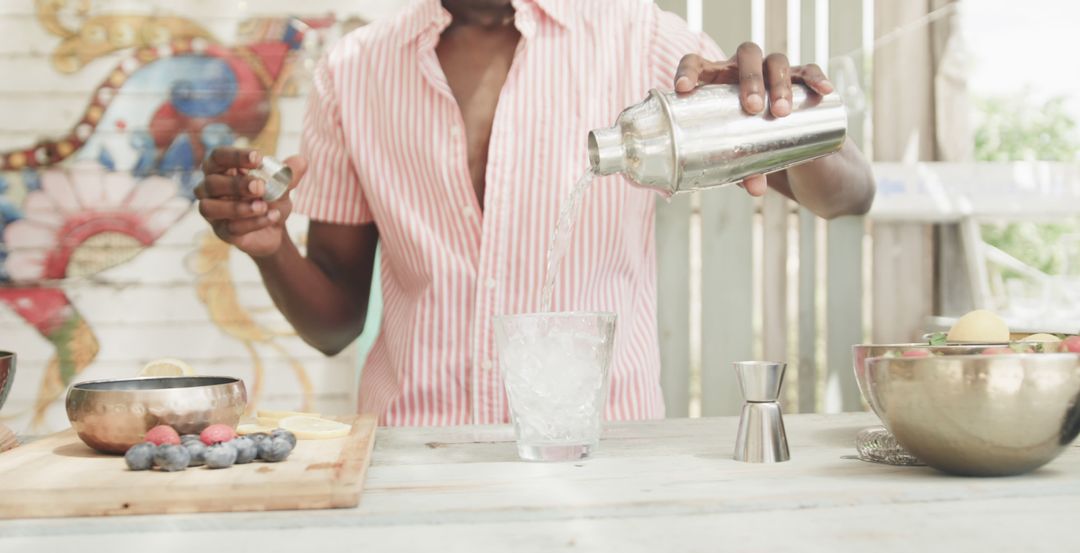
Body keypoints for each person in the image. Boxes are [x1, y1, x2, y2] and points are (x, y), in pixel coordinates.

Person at [194, 0, 875, 426]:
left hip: (605, 456)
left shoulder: (640, 39)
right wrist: (269, 243)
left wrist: (781, 120)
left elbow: (850, 193)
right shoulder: (355, 69)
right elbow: (333, 323)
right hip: (414, 462)